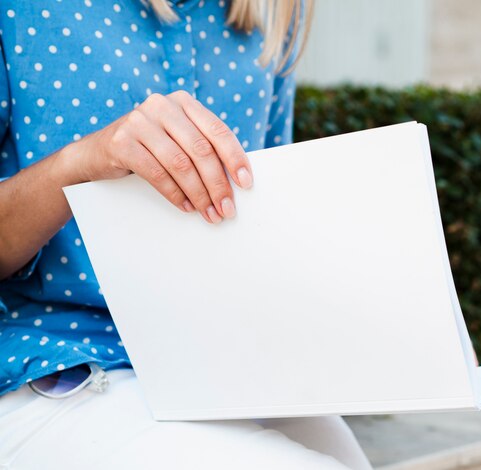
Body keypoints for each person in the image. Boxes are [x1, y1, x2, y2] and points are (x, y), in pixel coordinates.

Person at [0, 1, 372, 468]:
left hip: (223, 366)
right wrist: (80, 163)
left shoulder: (273, 12)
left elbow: (262, 219)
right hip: (51, 364)